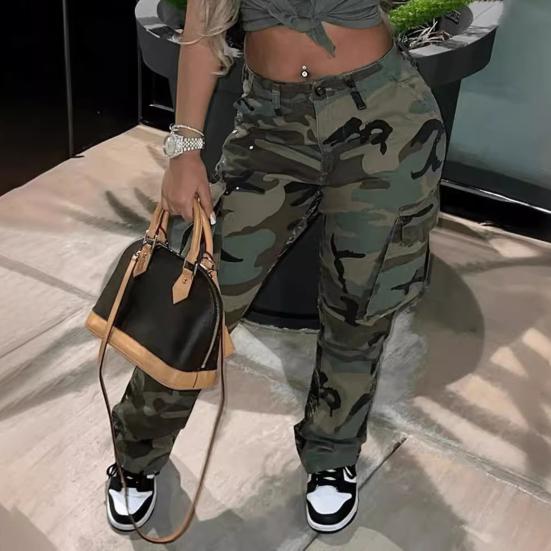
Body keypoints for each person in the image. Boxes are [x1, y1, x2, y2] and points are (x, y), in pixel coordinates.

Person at [105, 0, 447, 535]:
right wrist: (184, 151)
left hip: (384, 116)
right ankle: (137, 451)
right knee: (198, 294)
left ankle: (332, 450)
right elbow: (203, 26)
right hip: (271, 126)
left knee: (361, 306)